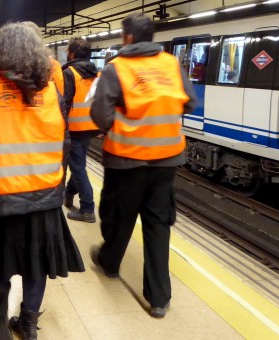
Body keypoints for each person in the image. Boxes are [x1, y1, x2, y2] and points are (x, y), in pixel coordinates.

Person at [0, 22, 84, 340]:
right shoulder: (51, 92)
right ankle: (28, 323)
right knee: (36, 260)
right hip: (42, 192)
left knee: (2, 251)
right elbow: (64, 143)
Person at [90, 13, 197, 318]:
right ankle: (159, 298)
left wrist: (126, 122)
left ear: (127, 38)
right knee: (157, 223)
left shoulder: (117, 68)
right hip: (166, 159)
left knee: (119, 216)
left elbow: (100, 115)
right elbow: (189, 102)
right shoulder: (172, 64)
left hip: (127, 159)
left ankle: (110, 263)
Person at [62, 38, 100, 223]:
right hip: (91, 126)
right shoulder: (96, 72)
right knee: (79, 164)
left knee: (77, 167)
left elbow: (65, 103)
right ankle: (69, 193)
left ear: (72, 53)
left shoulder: (70, 73)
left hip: (74, 127)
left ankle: (87, 209)